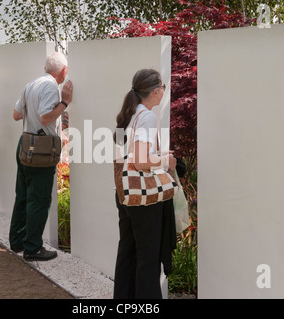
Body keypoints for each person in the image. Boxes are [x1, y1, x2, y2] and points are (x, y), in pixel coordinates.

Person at [113, 69, 176, 299]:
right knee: (148, 259)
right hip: (143, 199)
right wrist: (165, 160)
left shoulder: (130, 113)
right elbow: (140, 161)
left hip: (125, 193)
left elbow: (129, 155)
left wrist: (156, 154)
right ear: (156, 92)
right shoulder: (147, 116)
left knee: (127, 254)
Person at [10, 52, 73, 261]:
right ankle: (33, 248)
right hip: (41, 149)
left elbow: (17, 115)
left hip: (26, 143)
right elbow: (46, 117)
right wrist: (64, 103)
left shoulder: (31, 84)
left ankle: (18, 241)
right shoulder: (50, 87)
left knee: (23, 195)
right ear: (63, 71)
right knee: (39, 199)